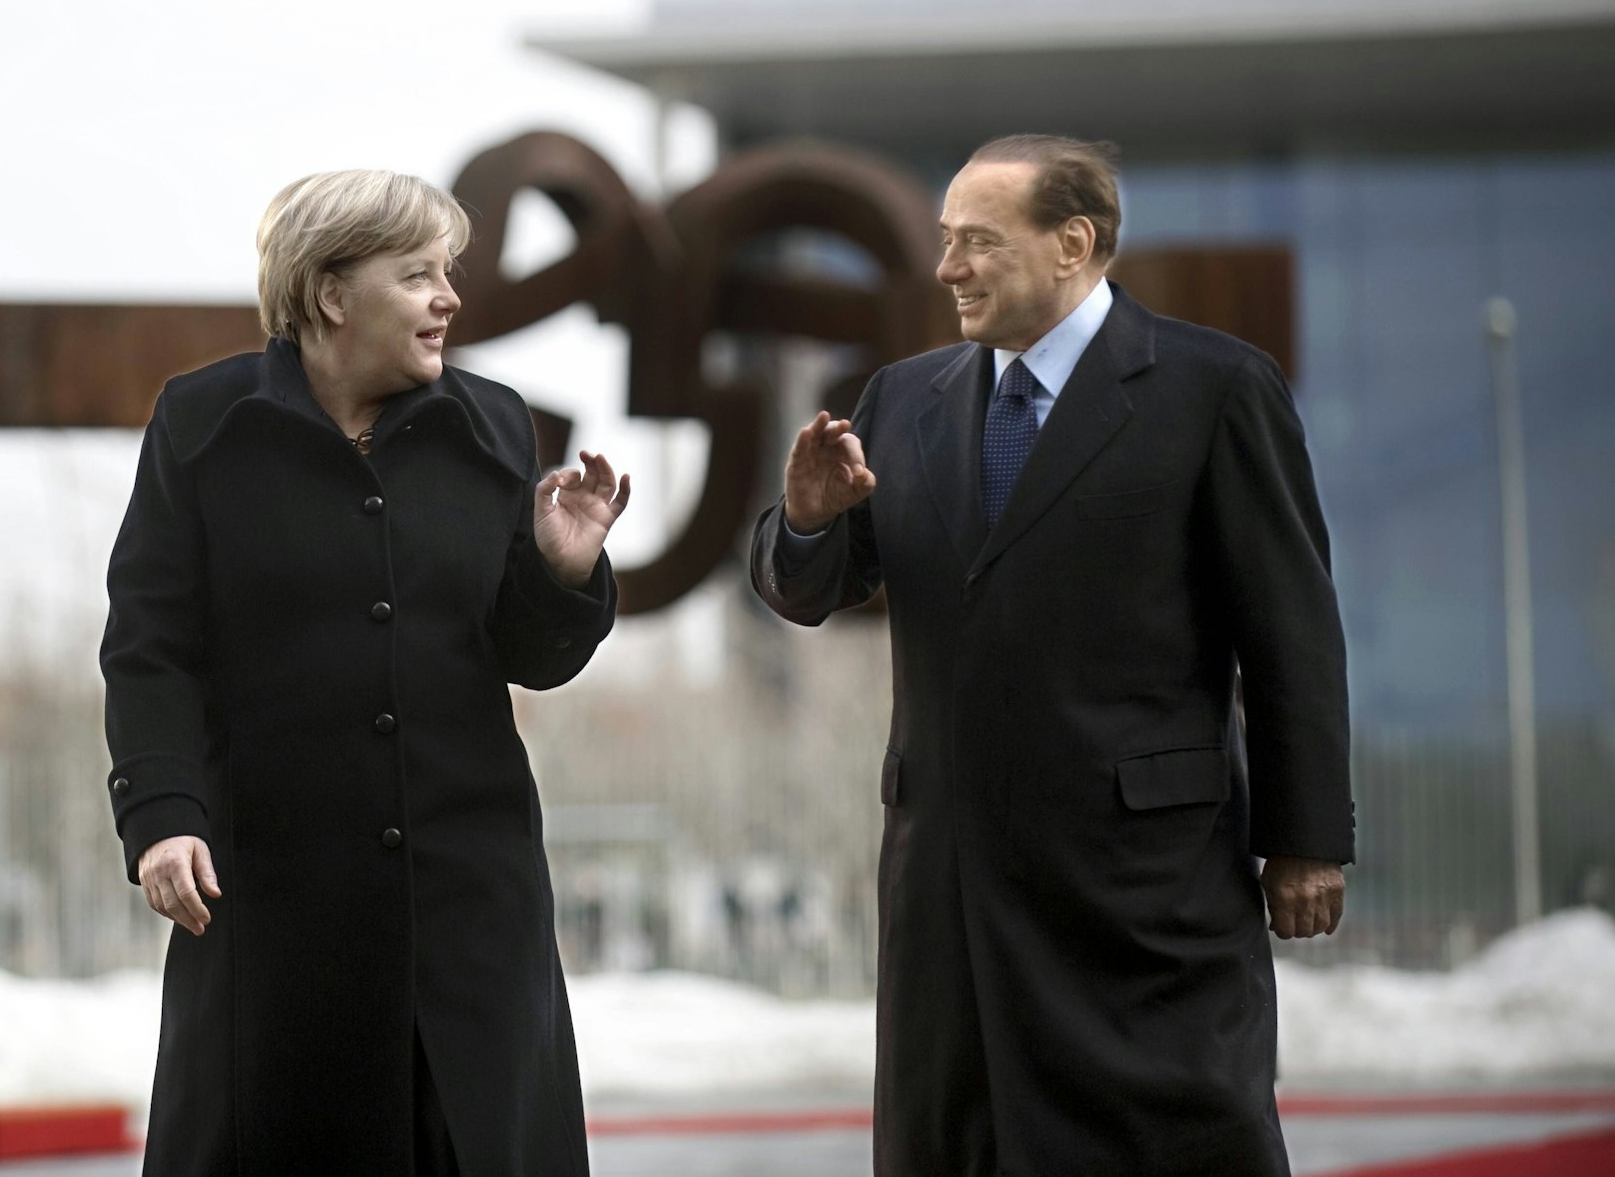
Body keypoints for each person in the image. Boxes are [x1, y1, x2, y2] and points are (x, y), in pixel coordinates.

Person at [750, 135, 1353, 1176]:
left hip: (1138, 888)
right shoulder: (900, 399)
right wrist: (803, 519)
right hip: (949, 886)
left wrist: (1303, 838)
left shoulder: (1212, 389)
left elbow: (1288, 629)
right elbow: (811, 587)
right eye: (945, 242)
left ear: (1073, 243)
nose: (947, 268)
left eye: (977, 241)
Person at [100, 169, 629, 1175]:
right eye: (418, 275)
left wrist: (561, 568)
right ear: (331, 292)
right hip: (271, 904)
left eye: (448, 273)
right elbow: (149, 643)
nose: (449, 298)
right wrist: (163, 812)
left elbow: (527, 654)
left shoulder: (492, 427)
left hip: (468, 908)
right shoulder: (203, 428)